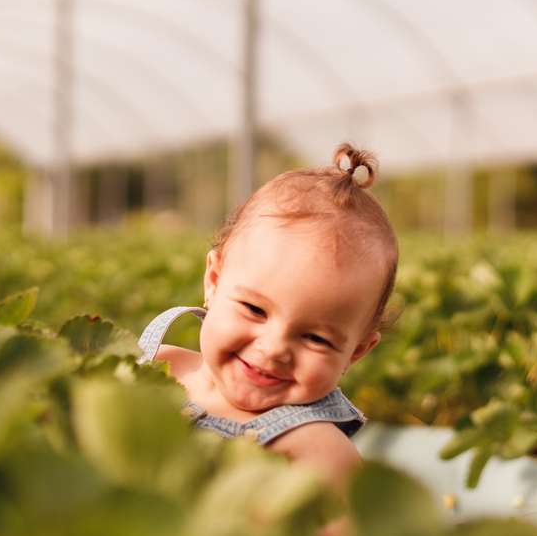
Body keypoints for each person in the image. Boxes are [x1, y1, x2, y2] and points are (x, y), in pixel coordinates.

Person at [137, 143, 398, 512]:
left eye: (315, 338)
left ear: (354, 352)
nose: (274, 347)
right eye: (255, 309)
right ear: (213, 281)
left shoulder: (316, 453)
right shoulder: (148, 366)